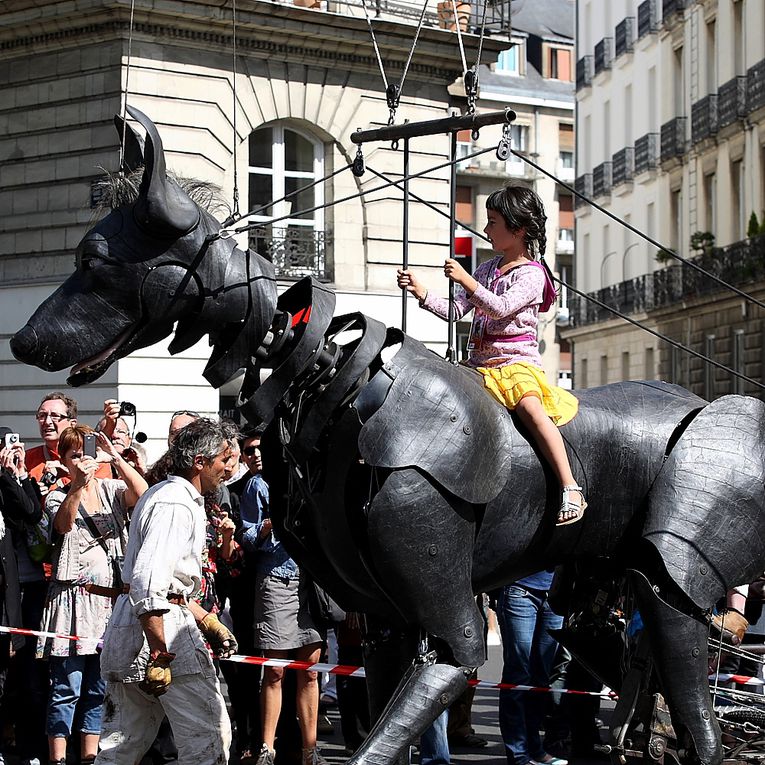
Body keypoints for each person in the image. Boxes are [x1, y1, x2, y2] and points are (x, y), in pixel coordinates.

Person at [397, 185, 585, 525]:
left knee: (531, 408)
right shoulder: (487, 269)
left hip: (516, 365)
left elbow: (499, 309)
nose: (486, 230)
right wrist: (421, 292)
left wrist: (466, 280)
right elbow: (456, 311)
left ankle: (570, 486)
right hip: (478, 367)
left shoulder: (532, 274)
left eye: (493, 222)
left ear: (518, 229)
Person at [96, 418, 238, 765]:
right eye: (222, 459)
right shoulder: (175, 501)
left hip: (138, 628)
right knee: (208, 742)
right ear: (199, 462)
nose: (227, 468)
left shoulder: (164, 494)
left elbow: (163, 582)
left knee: (120, 750)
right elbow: (148, 582)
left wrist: (206, 619)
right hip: (163, 636)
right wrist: (160, 652)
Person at [37, 425, 148, 765]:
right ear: (63, 459)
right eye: (73, 455)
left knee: (100, 688)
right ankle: (57, 759)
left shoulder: (113, 488)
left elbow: (143, 493)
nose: (80, 460)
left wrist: (114, 457)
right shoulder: (58, 493)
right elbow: (63, 525)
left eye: (83, 453)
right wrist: (77, 484)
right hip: (71, 603)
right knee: (66, 687)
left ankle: (89, 756)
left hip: (107, 603)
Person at [241, 440, 327, 765]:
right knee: (274, 671)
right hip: (277, 578)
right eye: (252, 450)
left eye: (265, 448)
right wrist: (267, 526)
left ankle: (310, 750)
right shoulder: (257, 485)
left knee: (310, 672)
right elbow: (246, 537)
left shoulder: (309, 475)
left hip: (311, 581)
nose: (258, 455)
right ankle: (267, 749)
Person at [0, 428, 44, 765]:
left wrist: (18, 474)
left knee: (13, 673)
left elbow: (30, 513)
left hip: (13, 591)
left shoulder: (10, 479)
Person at [494, 573, 566, 765]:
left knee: (541, 679)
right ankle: (518, 755)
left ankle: (535, 749)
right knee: (518, 676)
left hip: (554, 594)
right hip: (520, 589)